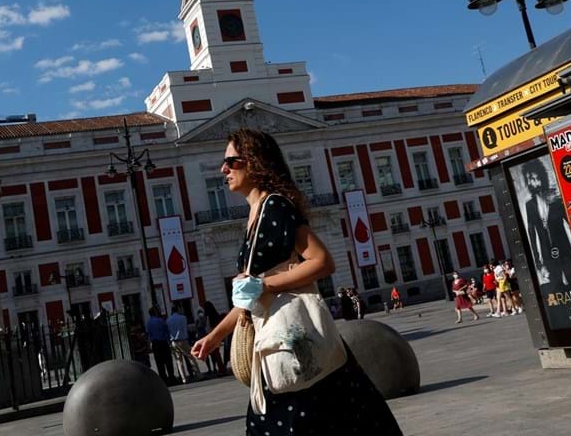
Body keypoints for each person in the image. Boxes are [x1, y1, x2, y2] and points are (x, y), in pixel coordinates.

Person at [191, 128, 401, 435]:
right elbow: (250, 298)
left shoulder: (275, 206)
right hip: (276, 344)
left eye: (231, 161)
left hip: (292, 342)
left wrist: (265, 285)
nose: (223, 169)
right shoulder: (254, 214)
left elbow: (321, 261)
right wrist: (216, 336)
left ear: (255, 162)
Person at [521, 158, 571, 290]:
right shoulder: (529, 205)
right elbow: (531, 233)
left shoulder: (556, 199)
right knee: (556, 286)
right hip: (546, 253)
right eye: (528, 179)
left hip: (564, 249)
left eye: (534, 178)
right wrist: (538, 262)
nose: (532, 183)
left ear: (542, 178)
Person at [168, 305, 201, 383]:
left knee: (179, 361)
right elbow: (185, 328)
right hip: (183, 340)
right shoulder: (183, 318)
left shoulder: (168, 320)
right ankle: (198, 374)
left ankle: (183, 378)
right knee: (191, 357)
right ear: (178, 310)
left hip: (173, 342)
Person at [146, 307, 176, 385]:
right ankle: (171, 378)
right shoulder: (161, 320)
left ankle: (163, 379)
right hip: (163, 343)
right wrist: (169, 342)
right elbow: (167, 331)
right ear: (155, 312)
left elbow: (149, 334)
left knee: (159, 363)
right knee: (168, 361)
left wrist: (149, 345)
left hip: (155, 344)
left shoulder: (148, 323)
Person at [201, 301, 226, 376]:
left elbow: (207, 328)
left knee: (215, 354)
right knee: (216, 354)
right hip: (217, 337)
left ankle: (221, 369)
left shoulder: (208, 317)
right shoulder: (215, 315)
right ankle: (220, 369)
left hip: (211, 337)